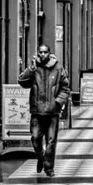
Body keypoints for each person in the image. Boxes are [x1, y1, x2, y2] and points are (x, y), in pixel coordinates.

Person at [18, 43, 70, 177]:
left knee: (51, 141)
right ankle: (40, 157)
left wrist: (57, 102)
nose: (42, 55)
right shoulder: (34, 68)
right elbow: (22, 81)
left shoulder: (58, 68)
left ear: (49, 53)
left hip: (52, 112)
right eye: (40, 52)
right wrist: (31, 69)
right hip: (37, 112)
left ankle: (49, 168)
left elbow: (65, 88)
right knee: (35, 138)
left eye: (45, 52)